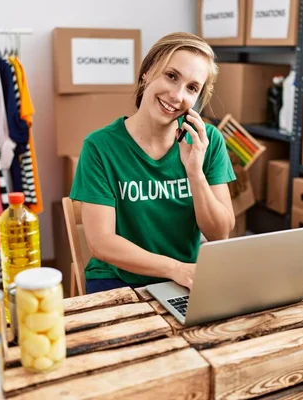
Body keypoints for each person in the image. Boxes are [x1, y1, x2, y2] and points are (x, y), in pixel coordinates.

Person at [69, 32, 237, 294]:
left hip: (185, 281)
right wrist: (175, 268)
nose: (177, 95)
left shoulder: (208, 141)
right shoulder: (99, 147)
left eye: (192, 88)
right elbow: (101, 243)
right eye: (171, 76)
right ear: (147, 72)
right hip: (118, 281)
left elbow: (220, 234)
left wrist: (195, 172)